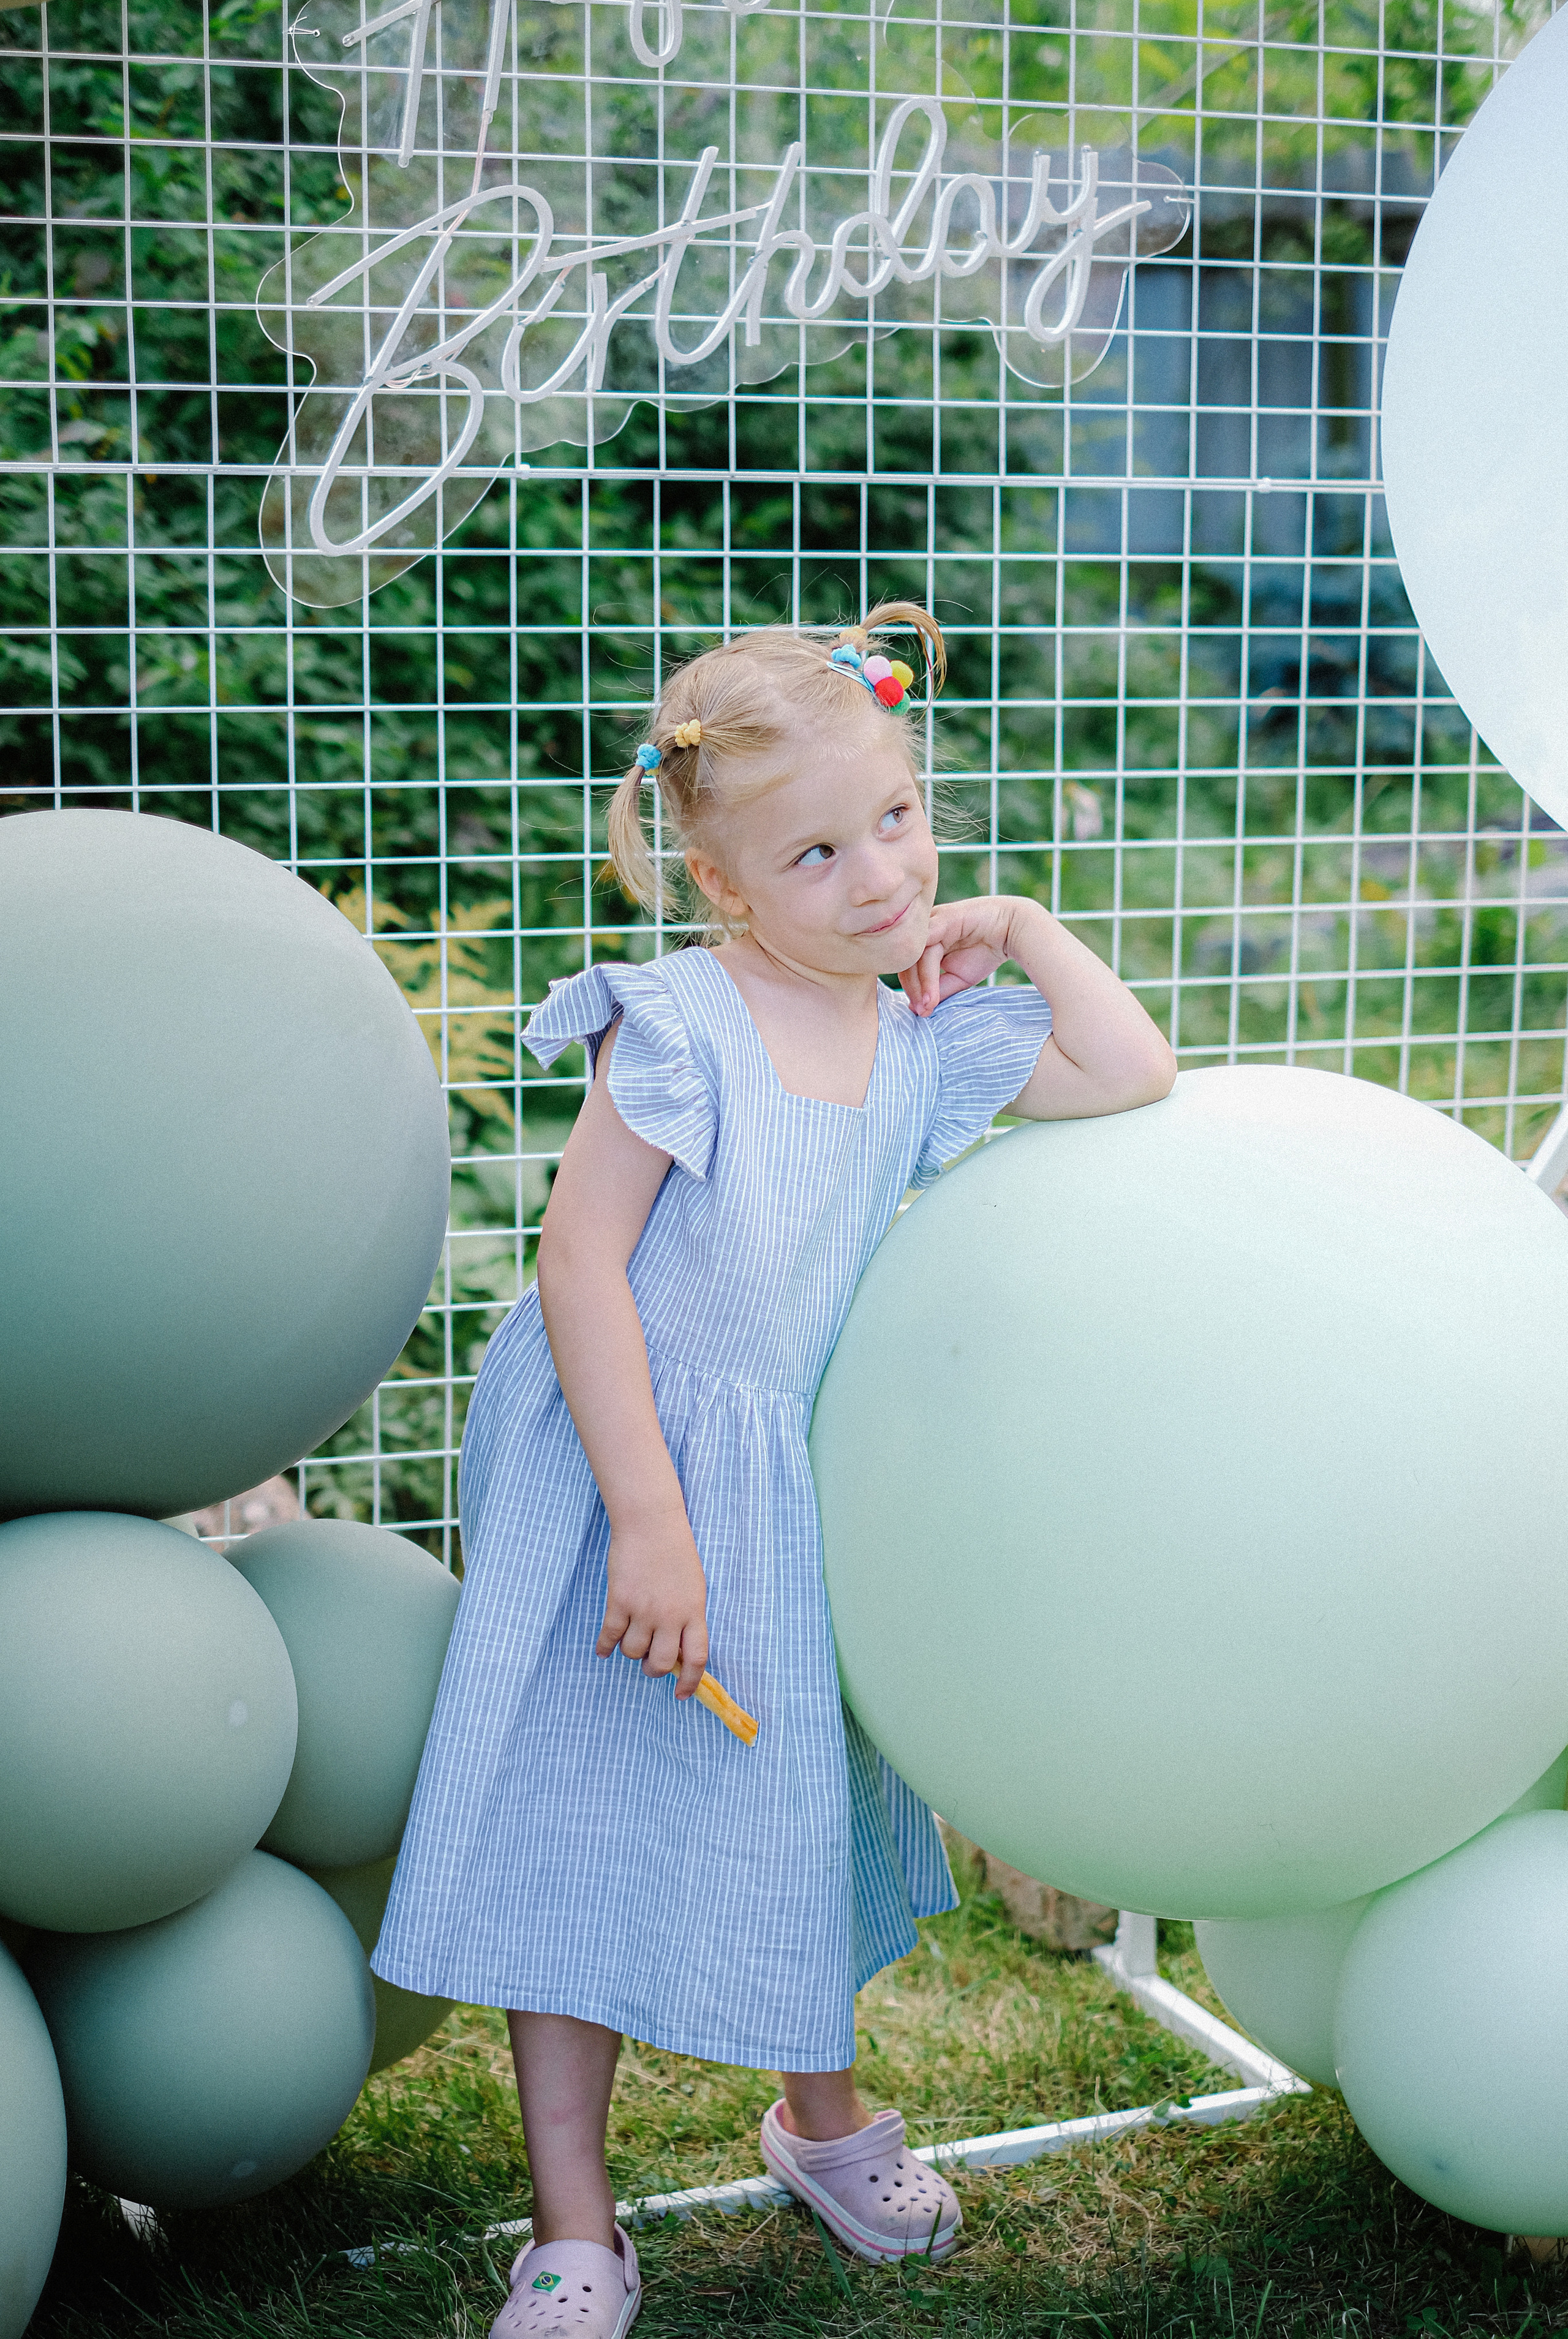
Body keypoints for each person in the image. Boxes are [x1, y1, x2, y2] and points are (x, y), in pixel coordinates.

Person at [374, 605, 1175, 2338]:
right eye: (815, 851)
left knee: (793, 1796)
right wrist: (650, 1525)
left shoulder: (918, 1036)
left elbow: (1130, 1069)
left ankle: (822, 2126)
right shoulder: (680, 1024)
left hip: (779, 1478)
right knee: (569, 1817)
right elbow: (581, 1269)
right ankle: (574, 2228)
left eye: (896, 818)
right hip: (619, 1467)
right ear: (724, 886)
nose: (877, 874)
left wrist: (1021, 921)